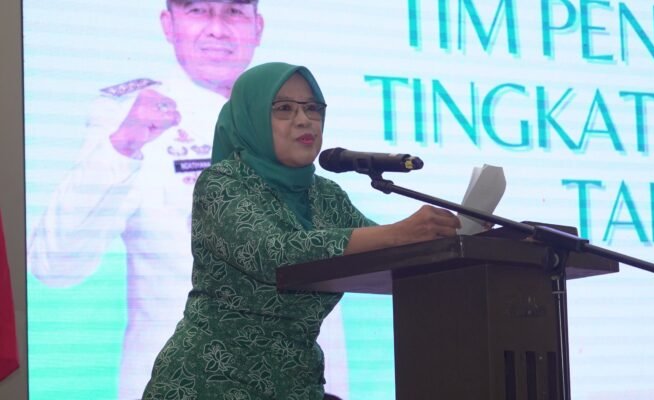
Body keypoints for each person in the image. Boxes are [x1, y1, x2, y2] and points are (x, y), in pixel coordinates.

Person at [142, 62, 461, 399]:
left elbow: (386, 254)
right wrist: (399, 233)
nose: (304, 119)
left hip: (295, 382)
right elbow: (272, 253)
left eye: (313, 108)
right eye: (283, 109)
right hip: (210, 379)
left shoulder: (326, 195)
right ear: (251, 118)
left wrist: (462, 237)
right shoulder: (223, 183)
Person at [27, 1, 275, 399]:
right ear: (168, 23)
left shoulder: (297, 115)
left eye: (234, 11)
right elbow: (54, 266)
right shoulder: (133, 113)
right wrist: (124, 144)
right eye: (198, 10)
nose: (217, 28)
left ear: (257, 26)